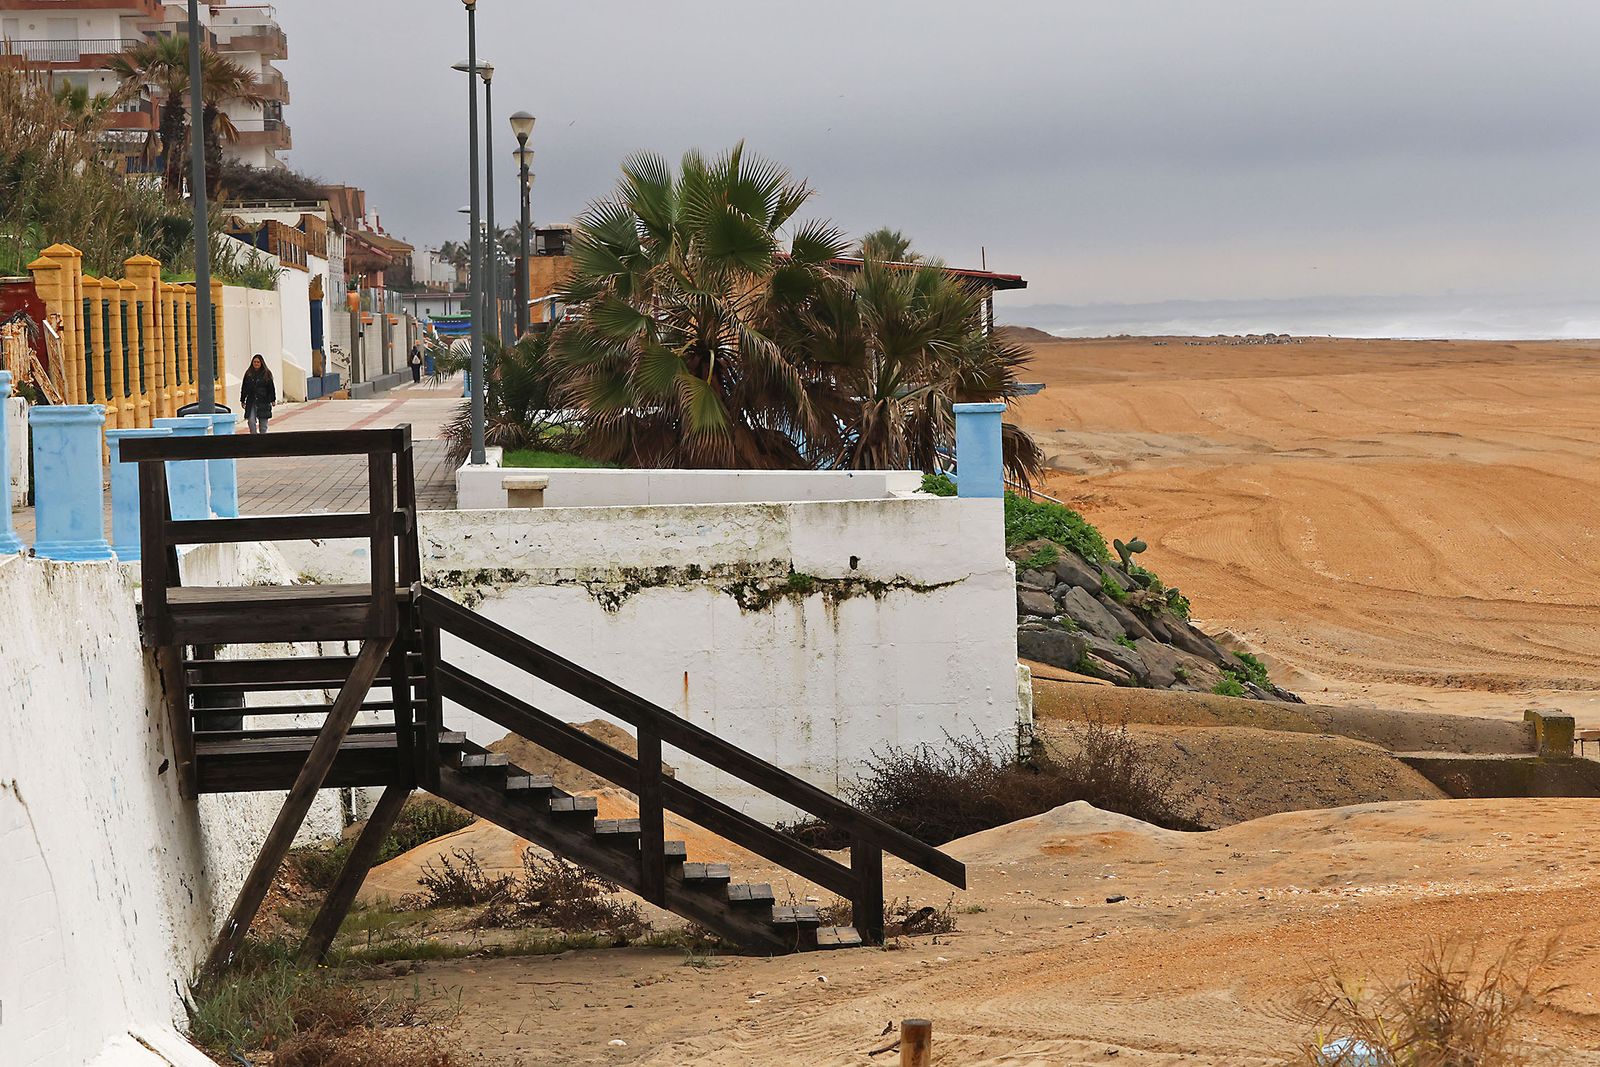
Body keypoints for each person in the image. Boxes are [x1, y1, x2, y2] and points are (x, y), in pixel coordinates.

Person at [241, 354, 276, 434]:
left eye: (258, 362)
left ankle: (262, 441)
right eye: (254, 362)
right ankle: (254, 438)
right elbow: (244, 388)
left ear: (261, 363)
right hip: (251, 401)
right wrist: (242, 399)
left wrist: (272, 399)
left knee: (263, 426)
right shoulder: (248, 374)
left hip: (263, 401)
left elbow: (271, 388)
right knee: (251, 421)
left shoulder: (267, 374)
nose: (256, 364)